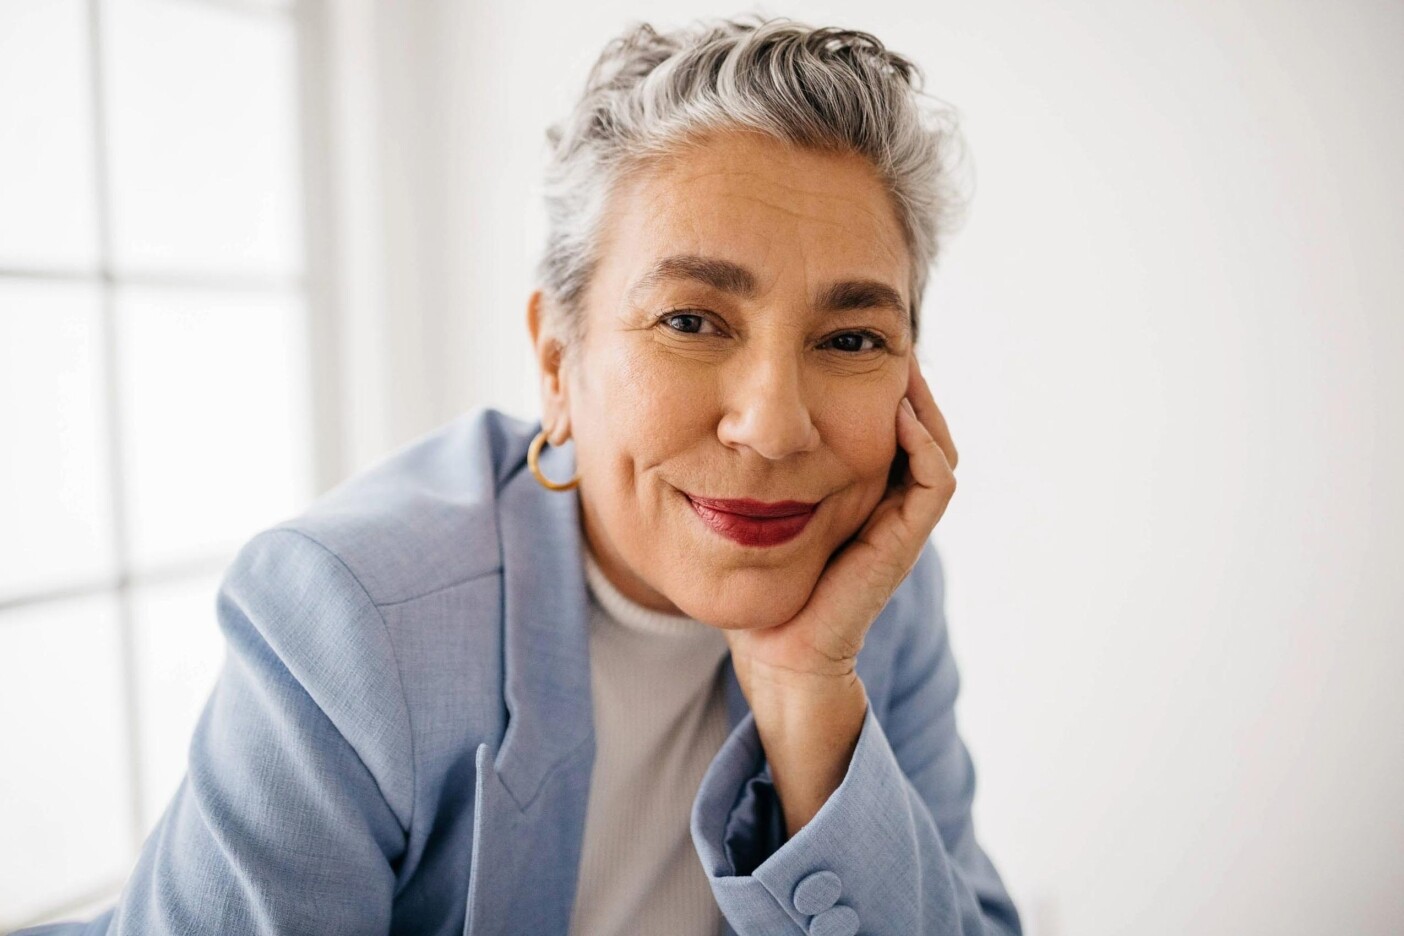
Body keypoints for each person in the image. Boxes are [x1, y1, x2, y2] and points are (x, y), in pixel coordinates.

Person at [20, 15, 1021, 936]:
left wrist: (809, 693)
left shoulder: (875, 593)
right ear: (556, 363)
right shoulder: (355, 615)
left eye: (850, 338)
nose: (772, 426)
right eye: (690, 321)